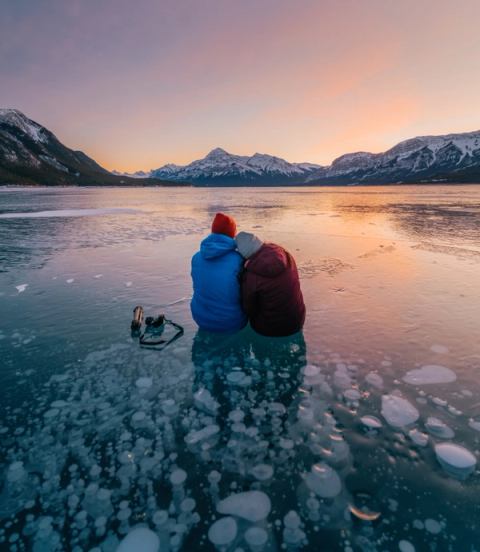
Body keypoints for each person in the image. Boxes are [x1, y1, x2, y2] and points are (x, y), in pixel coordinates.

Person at [236, 232, 305, 337]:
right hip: (297, 321)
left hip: (269, 329)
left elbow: (249, 309)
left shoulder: (251, 276)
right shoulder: (285, 254)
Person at [190, 213, 247, 333]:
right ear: (233, 234)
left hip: (200, 318)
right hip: (231, 322)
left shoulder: (196, 257)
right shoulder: (239, 260)